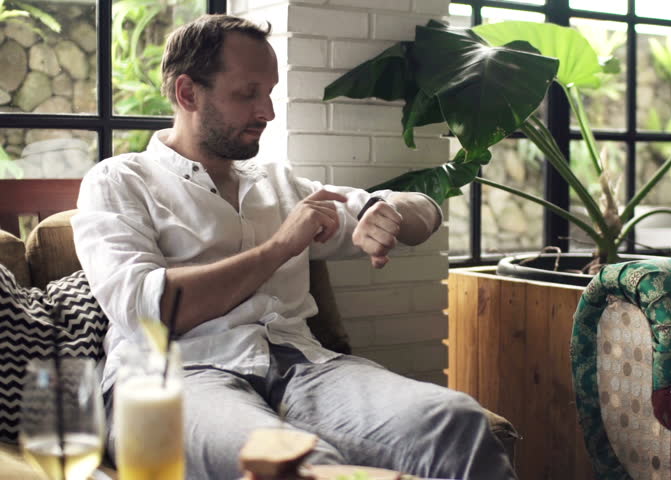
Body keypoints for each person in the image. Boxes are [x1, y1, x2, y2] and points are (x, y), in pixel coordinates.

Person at [71, 13, 517, 480]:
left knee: (457, 424)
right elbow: (150, 311)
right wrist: (281, 245)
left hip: (304, 367)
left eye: (269, 92)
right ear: (187, 94)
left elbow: (425, 210)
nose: (267, 111)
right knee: (297, 464)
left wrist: (389, 212)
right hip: (172, 381)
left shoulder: (279, 184)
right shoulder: (119, 181)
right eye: (248, 94)